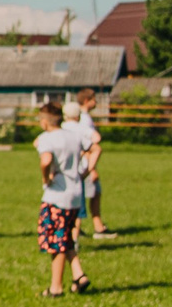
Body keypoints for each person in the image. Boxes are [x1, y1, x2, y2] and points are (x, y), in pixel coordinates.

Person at [33, 100, 97, 296]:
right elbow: (95, 149)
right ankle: (79, 275)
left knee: (56, 241)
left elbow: (46, 161)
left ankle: (56, 288)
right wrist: (85, 172)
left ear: (45, 122)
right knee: (66, 236)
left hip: (57, 196)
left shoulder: (47, 138)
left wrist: (46, 178)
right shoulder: (73, 136)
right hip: (75, 194)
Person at [75, 90, 114, 240]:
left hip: (86, 163)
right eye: (94, 99)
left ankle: (84, 228)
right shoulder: (83, 119)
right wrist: (91, 169)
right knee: (92, 194)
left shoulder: (82, 117)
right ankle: (95, 229)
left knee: (91, 194)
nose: (96, 102)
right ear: (86, 100)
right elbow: (87, 145)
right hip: (86, 164)